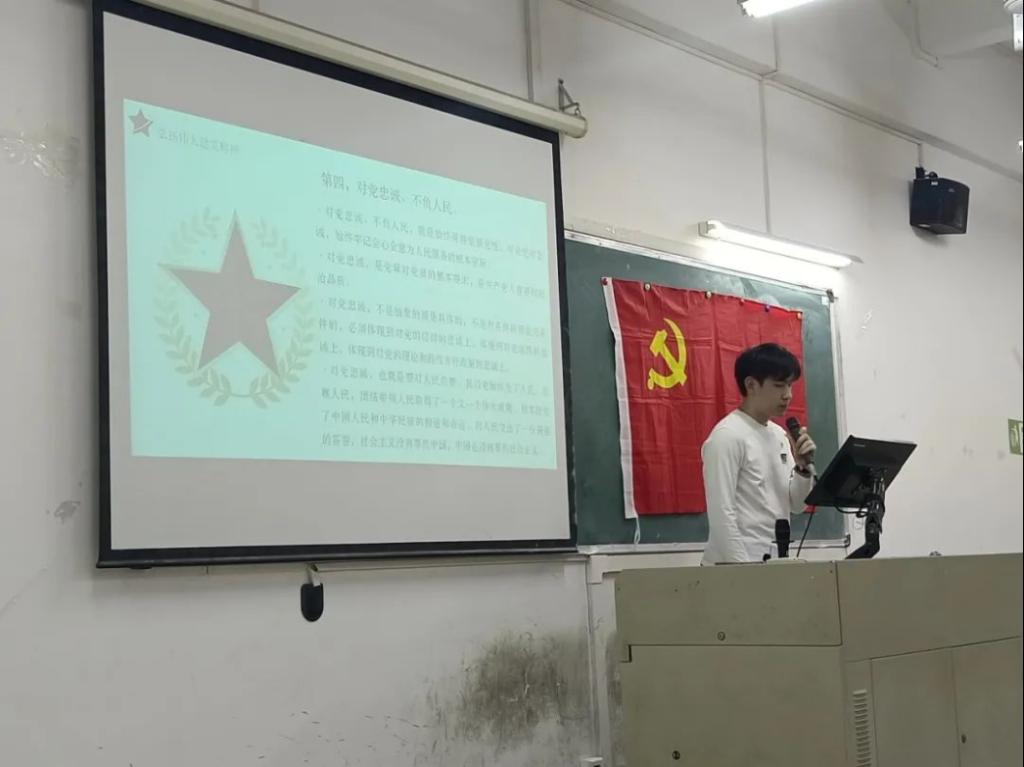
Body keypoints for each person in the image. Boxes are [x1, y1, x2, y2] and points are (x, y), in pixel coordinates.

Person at [700, 343, 816, 565]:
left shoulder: (779, 435)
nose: (788, 395)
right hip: (733, 568)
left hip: (773, 563)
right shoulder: (727, 436)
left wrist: (802, 469)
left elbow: (797, 505)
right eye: (779, 385)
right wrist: (746, 574)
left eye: (790, 385)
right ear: (751, 385)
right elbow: (722, 515)